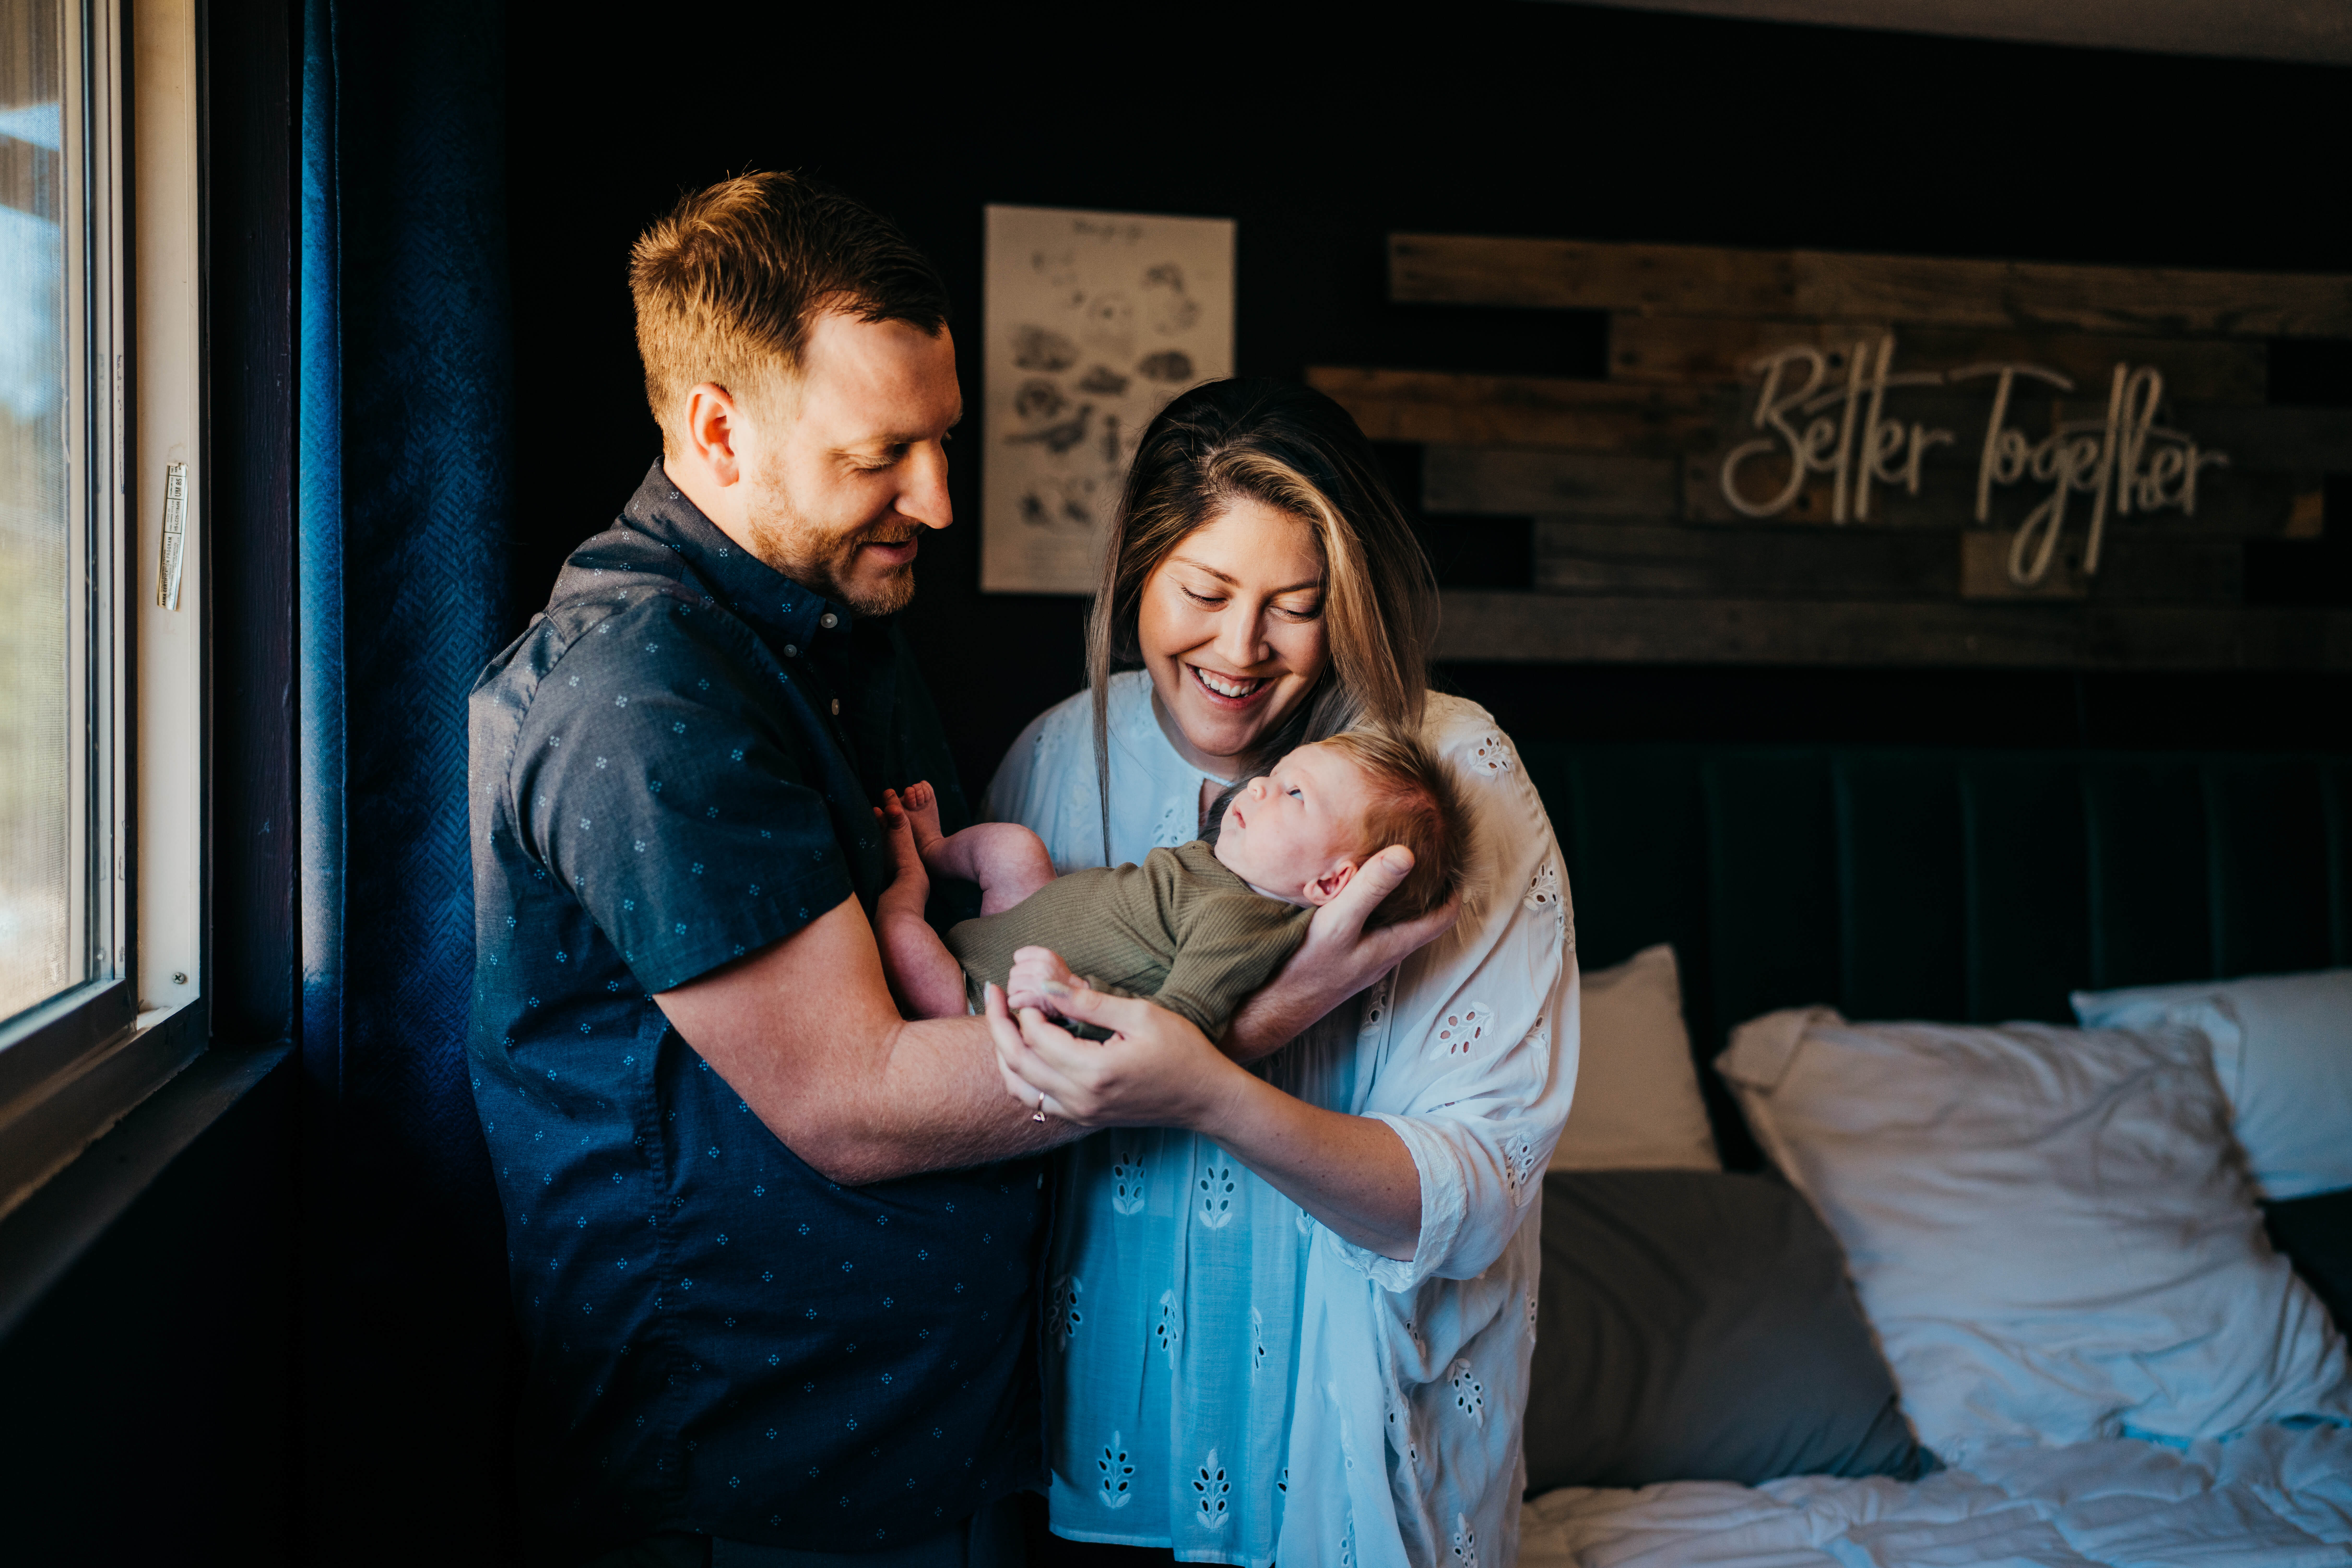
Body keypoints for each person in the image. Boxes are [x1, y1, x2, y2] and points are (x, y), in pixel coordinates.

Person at [465, 176, 1440, 1568]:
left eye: (941, 441)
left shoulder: (837, 625)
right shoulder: (640, 696)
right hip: (759, 1465)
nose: (933, 496)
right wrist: (1248, 1019)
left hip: (932, 1430)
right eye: (881, 454)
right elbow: (853, 1097)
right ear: (717, 429)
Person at [982, 379, 1580, 1568]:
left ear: (1347, 597)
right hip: (1089, 1446)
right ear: (1132, 574)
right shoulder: (1057, 757)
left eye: (1294, 607)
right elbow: (985, 1093)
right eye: (1201, 593)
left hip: (1347, 1460)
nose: (1239, 651)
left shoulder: (1447, 775)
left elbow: (1477, 1187)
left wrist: (1213, 1089)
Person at [870, 729, 1470, 1039]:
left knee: (899, 930)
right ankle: (937, 849)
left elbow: (1179, 1022)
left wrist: (1077, 996)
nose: (1258, 786)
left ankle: (909, 878)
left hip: (983, 995)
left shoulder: (1241, 925)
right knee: (1014, 849)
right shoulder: (1232, 873)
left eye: (1293, 794)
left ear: (1330, 880)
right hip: (1025, 920)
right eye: (1276, 773)